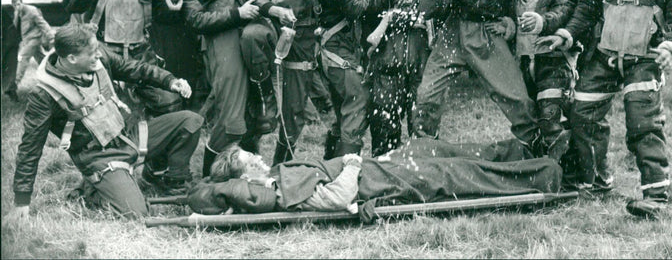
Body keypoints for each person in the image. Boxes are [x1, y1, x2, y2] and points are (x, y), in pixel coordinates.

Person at [540, 0, 672, 219]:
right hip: (605, 55)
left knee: (642, 124)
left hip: (646, 58)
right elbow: (586, 9)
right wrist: (567, 33)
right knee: (583, 114)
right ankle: (597, 182)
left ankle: (656, 196)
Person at [9, 23, 200, 221]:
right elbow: (29, 149)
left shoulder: (98, 57)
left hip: (128, 136)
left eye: (97, 49)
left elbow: (134, 68)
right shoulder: (43, 95)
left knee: (191, 121)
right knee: (138, 214)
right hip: (99, 157)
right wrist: (22, 200)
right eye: (92, 52)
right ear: (72, 59)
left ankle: (171, 180)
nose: (98, 55)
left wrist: (170, 81)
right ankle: (92, 191)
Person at [412, 0, 540, 151]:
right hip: (453, 29)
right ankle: (424, 149)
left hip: (486, 33)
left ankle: (536, 150)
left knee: (517, 100)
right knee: (426, 95)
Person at [187, 137, 561, 216]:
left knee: (426, 144)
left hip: (378, 166)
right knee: (453, 171)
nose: (257, 155)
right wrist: (351, 165)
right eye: (250, 156)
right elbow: (334, 199)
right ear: (245, 173)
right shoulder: (276, 187)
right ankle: (543, 172)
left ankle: (517, 150)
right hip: (379, 181)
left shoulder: (277, 174)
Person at [166, 0, 261, 177]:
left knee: (253, 111)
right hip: (221, 45)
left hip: (246, 35)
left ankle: (246, 169)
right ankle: (211, 174)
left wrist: (264, 3)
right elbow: (196, 21)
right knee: (231, 119)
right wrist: (237, 14)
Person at [239, 0, 343, 164]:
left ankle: (281, 161)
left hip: (305, 34)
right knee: (251, 35)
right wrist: (273, 10)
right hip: (272, 25)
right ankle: (264, 90)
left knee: (294, 107)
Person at [317, 0, 411, 159]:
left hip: (340, 48)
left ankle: (331, 167)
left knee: (343, 112)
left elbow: (362, 6)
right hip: (337, 49)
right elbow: (354, 7)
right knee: (358, 103)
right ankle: (347, 171)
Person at [62, 0, 183, 117]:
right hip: (100, 49)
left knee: (170, 102)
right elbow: (69, 3)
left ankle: (154, 132)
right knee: (101, 107)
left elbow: (166, 20)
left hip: (138, 51)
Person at [513, 0, 581, 162]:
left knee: (551, 119)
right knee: (530, 121)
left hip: (554, 61)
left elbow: (565, 10)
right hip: (526, 62)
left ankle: (564, 174)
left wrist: (543, 21)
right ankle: (538, 169)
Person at [365, 0, 437, 156]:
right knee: (384, 128)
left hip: (419, 77)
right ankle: (383, 173)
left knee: (422, 130)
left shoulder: (436, 11)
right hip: (387, 75)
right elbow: (371, 36)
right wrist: (391, 16)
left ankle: (423, 174)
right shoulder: (395, 1)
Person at [5, 0, 55, 100]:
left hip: (34, 39)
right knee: (43, 61)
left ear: (22, 3)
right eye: (15, 5)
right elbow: (16, 27)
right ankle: (55, 78)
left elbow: (43, 24)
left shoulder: (32, 10)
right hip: (27, 40)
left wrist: (51, 38)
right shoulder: (17, 13)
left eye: (19, 4)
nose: (17, 7)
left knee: (22, 58)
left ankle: (12, 88)